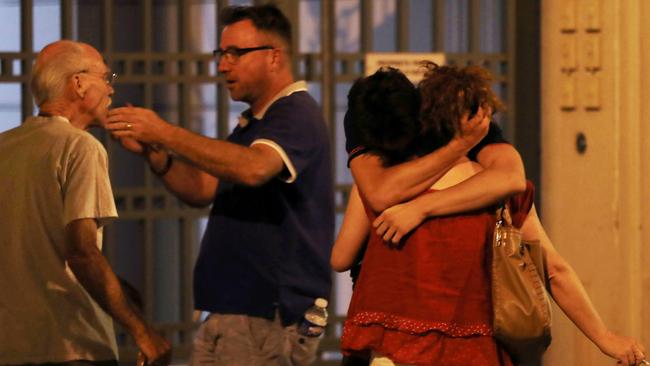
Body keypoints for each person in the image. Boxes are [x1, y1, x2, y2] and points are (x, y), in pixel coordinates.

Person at [334, 65, 647, 365]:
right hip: (475, 353)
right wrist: (605, 338)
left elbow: (340, 258)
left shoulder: (385, 186)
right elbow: (555, 271)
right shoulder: (500, 195)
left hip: (395, 350)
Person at [106, 4, 334, 366]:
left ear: (274, 56)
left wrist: (164, 131)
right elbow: (203, 189)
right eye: (220, 53)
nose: (223, 65)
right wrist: (154, 153)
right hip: (230, 309)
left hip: (264, 313)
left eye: (235, 53)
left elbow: (255, 169)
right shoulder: (255, 123)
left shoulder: (294, 114)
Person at [0, 40, 171, 366]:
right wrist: (142, 331)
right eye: (105, 77)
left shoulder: (5, 147)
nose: (110, 89)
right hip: (70, 345)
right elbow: (81, 252)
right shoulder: (80, 148)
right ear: (78, 83)